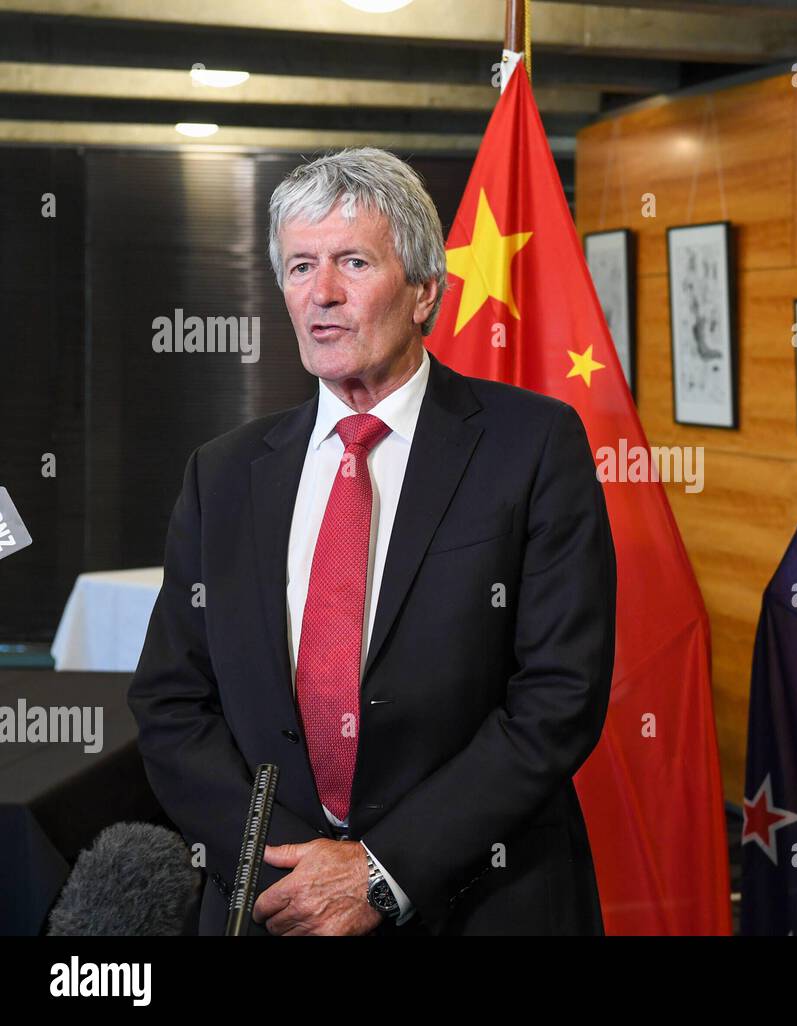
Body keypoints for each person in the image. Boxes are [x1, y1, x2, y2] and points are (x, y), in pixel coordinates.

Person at [127, 147, 617, 936]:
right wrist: (292, 871)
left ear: (425, 291)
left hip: (482, 898)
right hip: (275, 906)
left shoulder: (532, 446)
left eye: (352, 262)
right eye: (298, 267)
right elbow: (171, 703)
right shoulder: (220, 474)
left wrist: (381, 872)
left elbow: (558, 698)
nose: (320, 293)